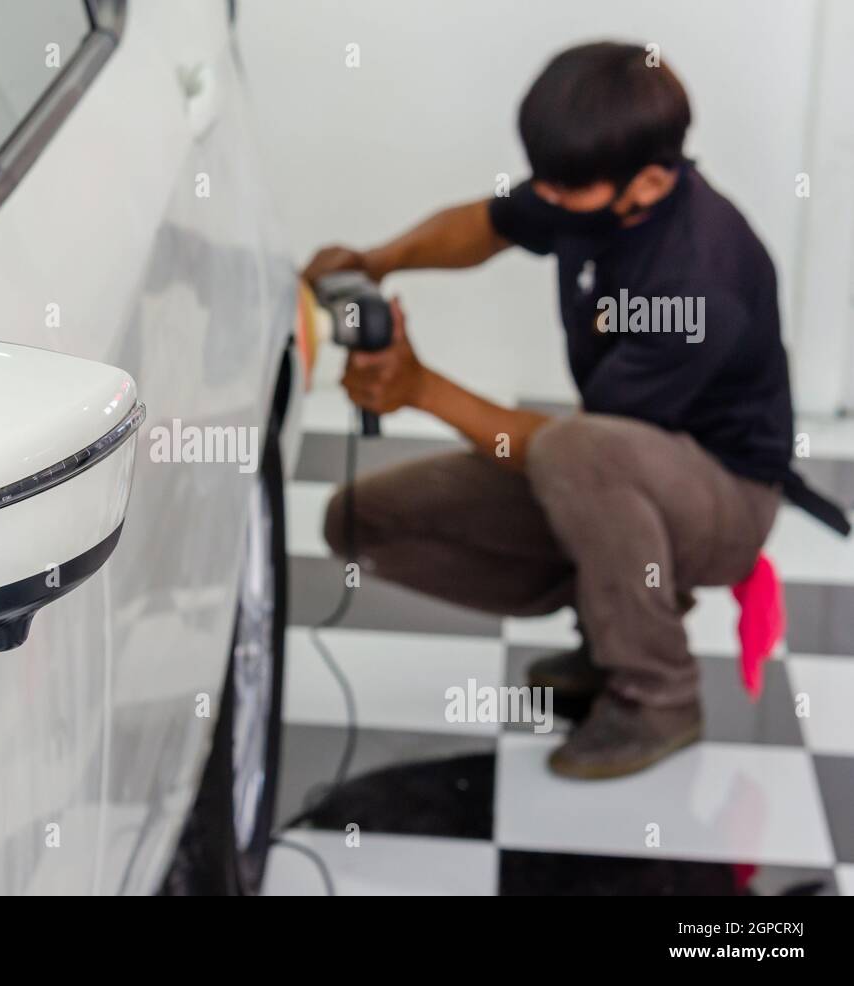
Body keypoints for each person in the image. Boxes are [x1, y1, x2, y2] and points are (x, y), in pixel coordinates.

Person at [305, 41, 848, 779]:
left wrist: (417, 388)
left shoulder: (695, 284)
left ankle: (658, 695)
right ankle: (610, 617)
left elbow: (565, 445)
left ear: (653, 180)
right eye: (544, 182)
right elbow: (486, 225)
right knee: (358, 522)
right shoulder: (591, 188)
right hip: (624, 476)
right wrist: (373, 262)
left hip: (727, 499)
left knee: (575, 455)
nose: (545, 199)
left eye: (564, 191)